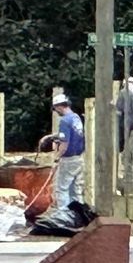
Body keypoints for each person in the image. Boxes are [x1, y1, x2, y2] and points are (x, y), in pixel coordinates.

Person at [37, 90, 87, 219]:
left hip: (68, 159)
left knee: (61, 188)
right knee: (75, 189)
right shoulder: (76, 118)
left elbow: (64, 144)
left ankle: (64, 217)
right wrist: (52, 136)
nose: (56, 112)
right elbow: (73, 135)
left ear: (59, 106)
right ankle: (79, 216)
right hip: (79, 158)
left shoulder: (64, 121)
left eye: (55, 109)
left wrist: (57, 157)